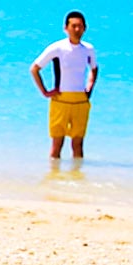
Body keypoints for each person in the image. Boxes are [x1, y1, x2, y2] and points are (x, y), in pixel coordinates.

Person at [28, 11, 97, 160]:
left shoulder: (88, 49)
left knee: (78, 144)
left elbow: (94, 68)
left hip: (80, 100)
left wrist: (89, 87)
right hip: (60, 100)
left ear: (85, 28)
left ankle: (77, 177)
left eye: (80, 26)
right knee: (57, 143)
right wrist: (45, 91)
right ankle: (54, 178)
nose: (77, 30)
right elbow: (34, 68)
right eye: (73, 26)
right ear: (66, 28)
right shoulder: (57, 48)